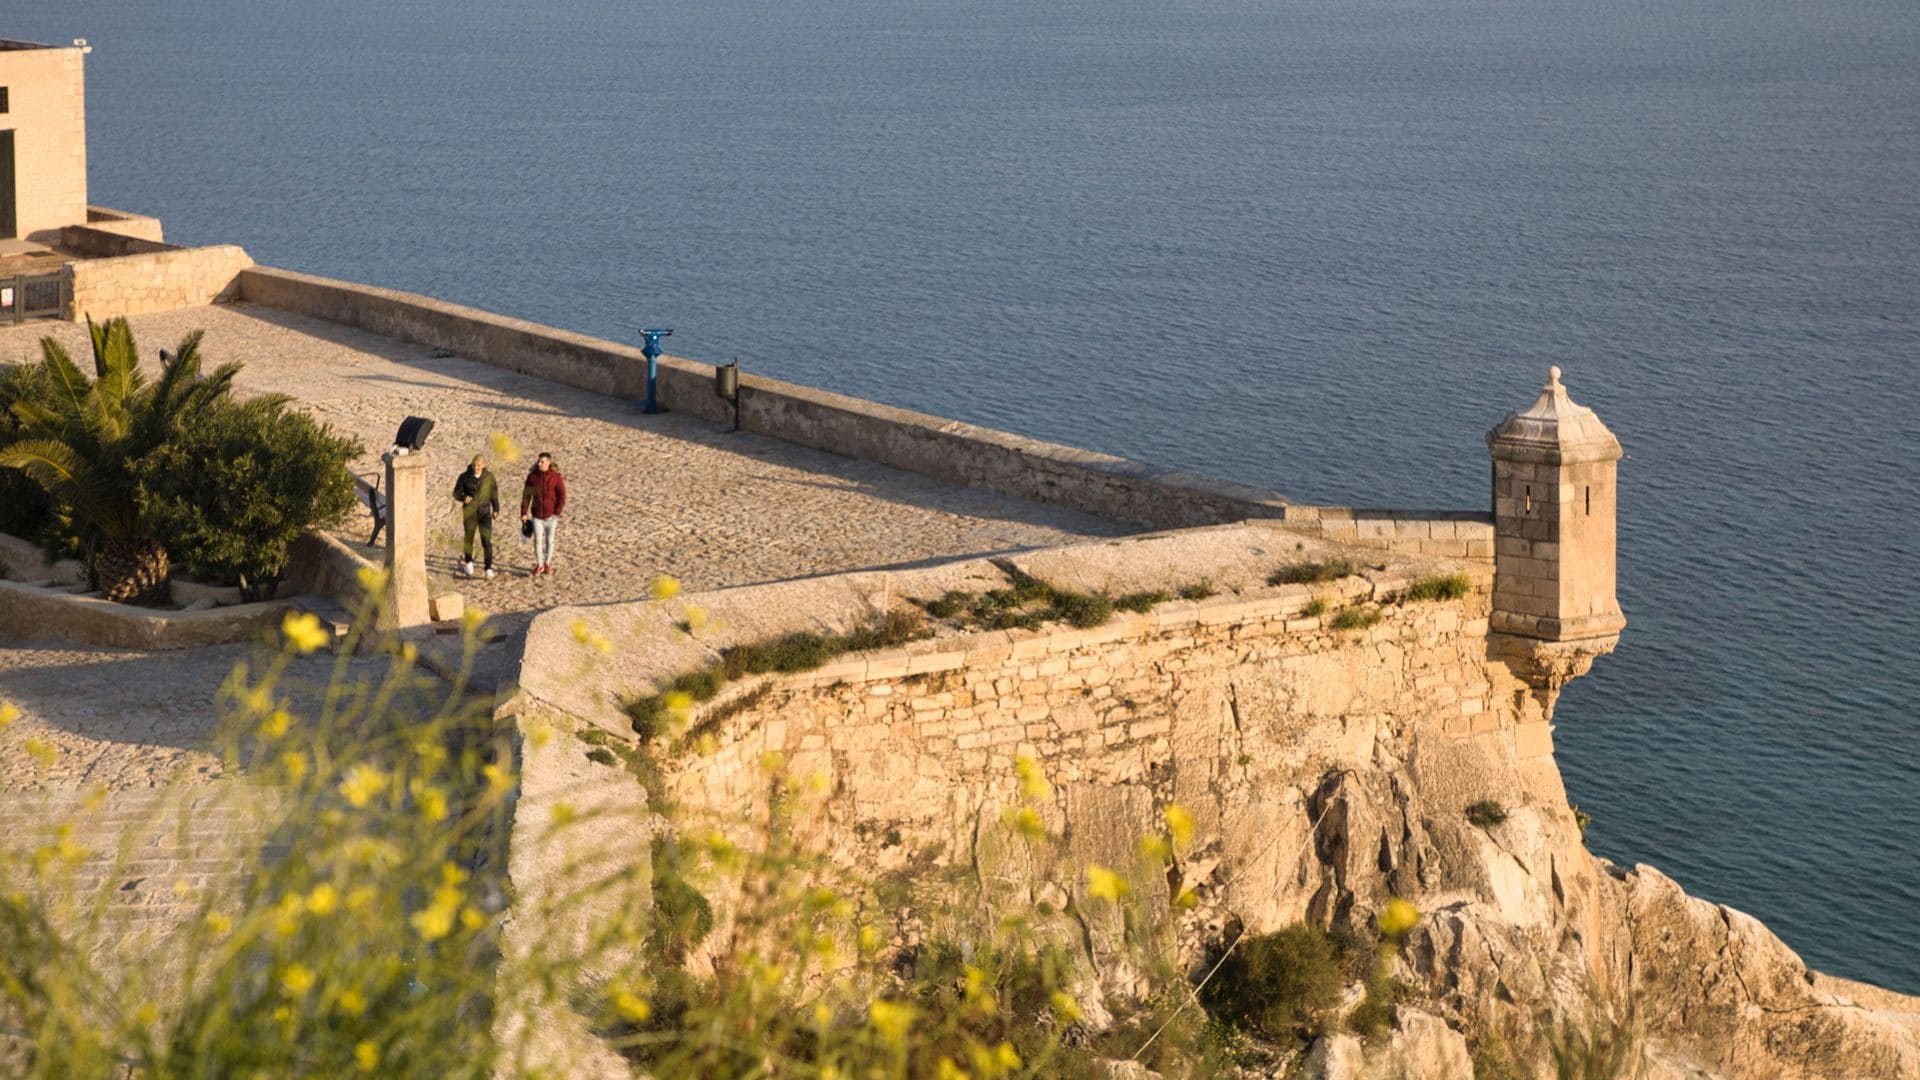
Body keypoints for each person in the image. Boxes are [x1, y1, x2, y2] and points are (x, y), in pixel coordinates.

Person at [520, 452, 567, 577]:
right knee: (537, 541)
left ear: (548, 463)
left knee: (550, 541)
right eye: (539, 461)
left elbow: (562, 495)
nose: (539, 463)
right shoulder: (532, 477)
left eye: (542, 462)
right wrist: (524, 513)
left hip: (551, 516)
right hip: (537, 516)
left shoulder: (556, 477)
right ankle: (539, 565)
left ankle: (548, 563)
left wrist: (557, 512)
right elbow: (526, 496)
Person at [452, 455, 500, 578]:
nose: (476, 468)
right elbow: (456, 493)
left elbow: (494, 494)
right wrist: (463, 498)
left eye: (478, 465)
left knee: (487, 542)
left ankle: (488, 568)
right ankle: (468, 562)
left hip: (484, 513)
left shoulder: (489, 477)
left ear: (483, 465)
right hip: (470, 513)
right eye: (474, 465)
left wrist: (496, 509)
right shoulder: (464, 477)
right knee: (469, 539)